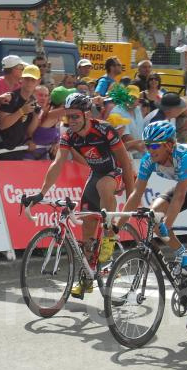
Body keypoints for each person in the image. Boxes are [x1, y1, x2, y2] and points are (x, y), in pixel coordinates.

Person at [28, 93, 135, 299]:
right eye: (69, 117)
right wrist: (41, 193)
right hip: (96, 174)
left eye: (76, 116)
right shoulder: (69, 135)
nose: (72, 121)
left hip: (118, 172)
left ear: (86, 114)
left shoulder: (105, 130)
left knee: (104, 185)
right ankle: (86, 278)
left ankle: (110, 237)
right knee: (86, 232)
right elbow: (57, 163)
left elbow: (126, 163)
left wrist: (131, 198)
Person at [121, 121, 187, 327]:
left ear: (169, 144)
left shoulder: (185, 157)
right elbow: (136, 194)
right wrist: (117, 224)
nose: (150, 150)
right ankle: (180, 252)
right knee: (153, 215)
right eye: (148, 145)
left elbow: (179, 197)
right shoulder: (150, 160)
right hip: (186, 186)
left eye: (155, 145)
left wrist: (168, 224)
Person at [0, 65, 42, 159]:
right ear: (22, 79)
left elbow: (29, 130)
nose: (29, 82)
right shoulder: (11, 98)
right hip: (1, 151)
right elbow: (2, 125)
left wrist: (35, 116)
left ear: (38, 81)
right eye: (27, 79)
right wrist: (21, 111)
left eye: (33, 80)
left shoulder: (33, 101)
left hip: (17, 151)